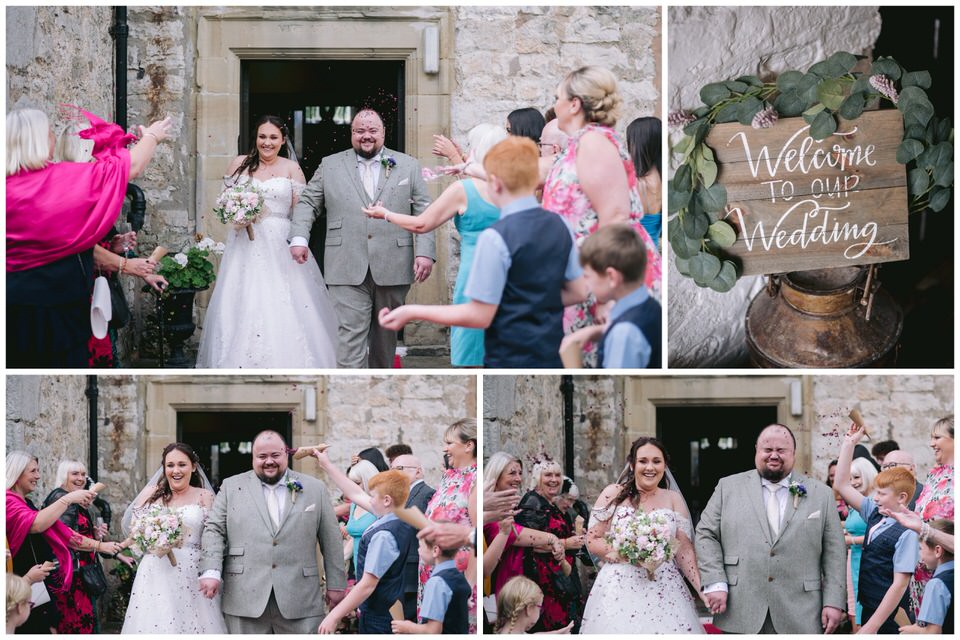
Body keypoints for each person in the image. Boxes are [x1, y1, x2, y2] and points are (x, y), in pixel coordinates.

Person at [379, 136, 588, 368]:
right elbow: (579, 291)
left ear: (495, 183)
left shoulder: (496, 237)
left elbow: (480, 315)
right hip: (550, 352)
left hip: (509, 355)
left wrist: (411, 311)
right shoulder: (561, 225)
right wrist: (531, 301)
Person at [6, 108, 171, 368]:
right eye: (49, 132)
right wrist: (152, 136)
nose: (53, 138)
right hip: (57, 305)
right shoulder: (61, 179)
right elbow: (131, 167)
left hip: (12, 301)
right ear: (37, 140)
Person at [289, 108, 436, 368]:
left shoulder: (408, 164)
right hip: (344, 262)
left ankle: (378, 391)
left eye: (372, 130)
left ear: (383, 132)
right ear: (351, 133)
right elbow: (308, 202)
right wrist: (299, 237)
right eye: (359, 131)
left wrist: (424, 251)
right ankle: (349, 392)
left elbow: (424, 209)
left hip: (393, 263)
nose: (366, 136)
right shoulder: (330, 164)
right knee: (349, 337)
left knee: (385, 340)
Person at [541, 66, 662, 367]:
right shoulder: (582, 143)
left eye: (557, 97)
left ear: (574, 104)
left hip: (603, 278)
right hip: (585, 276)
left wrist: (609, 297)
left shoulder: (594, 143)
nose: (554, 104)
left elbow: (616, 216)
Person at [196, 115, 337, 368]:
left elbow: (302, 213)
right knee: (242, 295)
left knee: (282, 296)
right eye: (262, 136)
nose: (267, 142)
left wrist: (298, 240)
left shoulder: (291, 169)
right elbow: (225, 201)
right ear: (256, 138)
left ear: (283, 140)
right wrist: (238, 214)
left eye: (273, 137)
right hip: (244, 243)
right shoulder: (239, 164)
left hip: (279, 241)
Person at [364, 123, 507, 367]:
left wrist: (386, 214)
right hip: (509, 274)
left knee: (472, 352)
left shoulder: (464, 189)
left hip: (476, 275)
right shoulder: (517, 189)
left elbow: (422, 224)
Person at [695, 424, 846, 634]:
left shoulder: (821, 494)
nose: (774, 455)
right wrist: (715, 582)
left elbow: (835, 552)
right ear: (757, 451)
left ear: (793, 454)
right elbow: (705, 534)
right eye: (767, 450)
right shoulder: (727, 487)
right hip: (741, 608)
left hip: (802, 612)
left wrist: (834, 601)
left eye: (781, 450)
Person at [199, 430, 346, 633]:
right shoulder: (231, 487)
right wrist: (211, 570)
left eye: (275, 455)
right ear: (253, 457)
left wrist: (336, 583)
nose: (269, 461)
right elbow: (214, 530)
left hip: (301, 599)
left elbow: (331, 539)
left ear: (286, 454)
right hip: (244, 598)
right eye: (262, 456)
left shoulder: (315, 488)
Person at [581, 437, 705, 634]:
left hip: (664, 585)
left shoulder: (673, 499)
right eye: (643, 461)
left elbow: (683, 549)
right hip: (619, 585)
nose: (650, 467)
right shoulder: (613, 493)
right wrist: (627, 553)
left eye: (657, 461)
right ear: (632, 464)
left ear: (665, 465)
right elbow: (592, 538)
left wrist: (701, 589)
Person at [6, 451, 123, 634]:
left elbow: (63, 533)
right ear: (18, 472)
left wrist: (100, 542)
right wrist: (68, 499)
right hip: (23, 578)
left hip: (36, 580)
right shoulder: (8, 501)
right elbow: (36, 524)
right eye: (33, 471)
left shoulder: (26, 502)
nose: (38, 476)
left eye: (83, 474)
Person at [120, 443, 225, 633]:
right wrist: (152, 536)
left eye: (182, 465)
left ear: (193, 467)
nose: (175, 470)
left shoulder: (204, 496)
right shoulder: (151, 494)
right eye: (170, 465)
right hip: (154, 571)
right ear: (164, 468)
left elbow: (214, 536)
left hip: (192, 571)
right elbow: (134, 531)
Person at [312, 455, 416, 634]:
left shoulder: (384, 535)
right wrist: (326, 464)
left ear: (386, 500)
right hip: (389, 606)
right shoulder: (398, 516)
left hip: (379, 615)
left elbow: (368, 584)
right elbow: (355, 493)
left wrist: (334, 616)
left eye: (373, 495)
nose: (369, 498)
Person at [835, 424, 919, 634]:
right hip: (869, 605)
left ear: (901, 498)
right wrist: (849, 444)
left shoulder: (907, 531)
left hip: (891, 615)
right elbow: (842, 485)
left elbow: (899, 585)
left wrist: (873, 626)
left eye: (882, 493)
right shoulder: (875, 511)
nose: (875, 497)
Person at [41, 460, 126, 633]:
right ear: (64, 475)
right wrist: (100, 546)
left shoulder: (75, 501)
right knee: (78, 626)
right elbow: (67, 538)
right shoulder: (64, 499)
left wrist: (94, 534)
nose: (80, 478)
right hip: (71, 578)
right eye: (75, 474)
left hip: (80, 577)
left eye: (83, 474)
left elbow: (75, 532)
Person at [559, 224, 661, 368]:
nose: (585, 283)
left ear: (612, 277)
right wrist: (596, 331)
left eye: (587, 276)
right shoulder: (651, 306)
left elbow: (612, 386)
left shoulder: (623, 335)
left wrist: (572, 367)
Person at [420, 419, 478, 632]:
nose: (445, 448)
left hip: (458, 582)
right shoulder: (448, 478)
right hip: (434, 575)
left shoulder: (474, 480)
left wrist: (467, 587)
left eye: (449, 443)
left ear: (469, 445)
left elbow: (478, 536)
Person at [514, 457, 584, 632]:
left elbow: (554, 533)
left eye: (557, 475)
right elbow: (534, 544)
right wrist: (568, 543)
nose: (554, 479)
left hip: (560, 578)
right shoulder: (533, 504)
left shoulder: (550, 503)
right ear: (538, 477)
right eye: (548, 475)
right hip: (545, 583)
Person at [483, 453, 564, 596]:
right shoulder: (489, 507)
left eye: (520, 473)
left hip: (522, 572)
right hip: (506, 576)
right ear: (497, 475)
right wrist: (552, 538)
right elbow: (514, 534)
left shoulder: (510, 502)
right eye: (512, 473)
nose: (518, 478)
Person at [910, 416, 954, 617]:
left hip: (948, 576)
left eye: (937, 437)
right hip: (922, 573)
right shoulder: (934, 475)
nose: (931, 443)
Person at [392, 533, 471, 634]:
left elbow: (433, 631)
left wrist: (407, 627)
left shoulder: (436, 582)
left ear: (435, 550)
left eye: (420, 546)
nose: (418, 550)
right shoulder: (458, 577)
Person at [391, 453, 437, 621]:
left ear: (417, 472)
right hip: (401, 570)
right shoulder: (403, 495)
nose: (394, 473)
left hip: (414, 569)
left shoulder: (427, 494)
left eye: (399, 469)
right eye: (392, 469)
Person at [900, 519, 954, 634]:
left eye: (920, 548)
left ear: (937, 550)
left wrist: (915, 630)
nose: (919, 554)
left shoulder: (936, 584)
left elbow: (933, 632)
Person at [844, 457, 878, 630]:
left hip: (869, 562)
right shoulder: (855, 501)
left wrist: (850, 540)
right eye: (849, 479)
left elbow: (880, 535)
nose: (853, 483)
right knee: (853, 606)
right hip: (854, 559)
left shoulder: (875, 502)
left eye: (857, 477)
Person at [625, 116, 662, 247]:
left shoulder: (634, 182)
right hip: (653, 251)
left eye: (630, 142)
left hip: (631, 254)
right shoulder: (662, 180)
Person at [345, 460, 379, 579]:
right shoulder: (354, 504)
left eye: (357, 483)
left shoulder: (378, 504)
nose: (353, 487)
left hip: (374, 566)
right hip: (357, 565)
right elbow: (355, 538)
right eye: (351, 483)